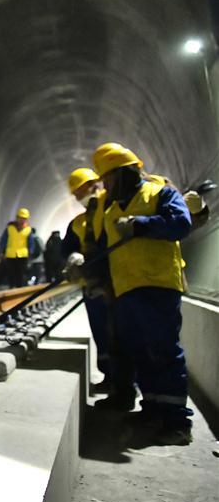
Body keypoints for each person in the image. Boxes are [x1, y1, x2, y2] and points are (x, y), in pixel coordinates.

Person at [71, 143, 194, 445]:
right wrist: (83, 267)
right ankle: (152, 408)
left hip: (158, 285)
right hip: (126, 290)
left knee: (164, 351)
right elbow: (102, 251)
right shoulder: (112, 209)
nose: (105, 185)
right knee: (141, 351)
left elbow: (180, 223)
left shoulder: (160, 193)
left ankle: (177, 421)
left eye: (108, 178)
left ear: (123, 173)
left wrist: (141, 225)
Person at [61, 167, 112, 392]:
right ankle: (110, 378)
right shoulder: (78, 222)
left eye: (79, 191)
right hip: (92, 286)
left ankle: (126, 383)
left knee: (120, 335)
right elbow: (67, 247)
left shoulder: (112, 209)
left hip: (115, 284)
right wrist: (73, 256)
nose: (78, 197)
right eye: (76, 194)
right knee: (101, 332)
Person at [0, 208, 35, 287]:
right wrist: (1, 252)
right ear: (17, 218)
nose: (23, 220)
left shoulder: (28, 230)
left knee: (21, 275)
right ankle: (11, 289)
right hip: (10, 255)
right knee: (11, 274)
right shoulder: (9, 228)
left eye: (25, 219)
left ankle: (19, 290)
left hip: (23, 255)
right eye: (21, 218)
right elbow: (3, 240)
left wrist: (30, 253)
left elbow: (31, 243)